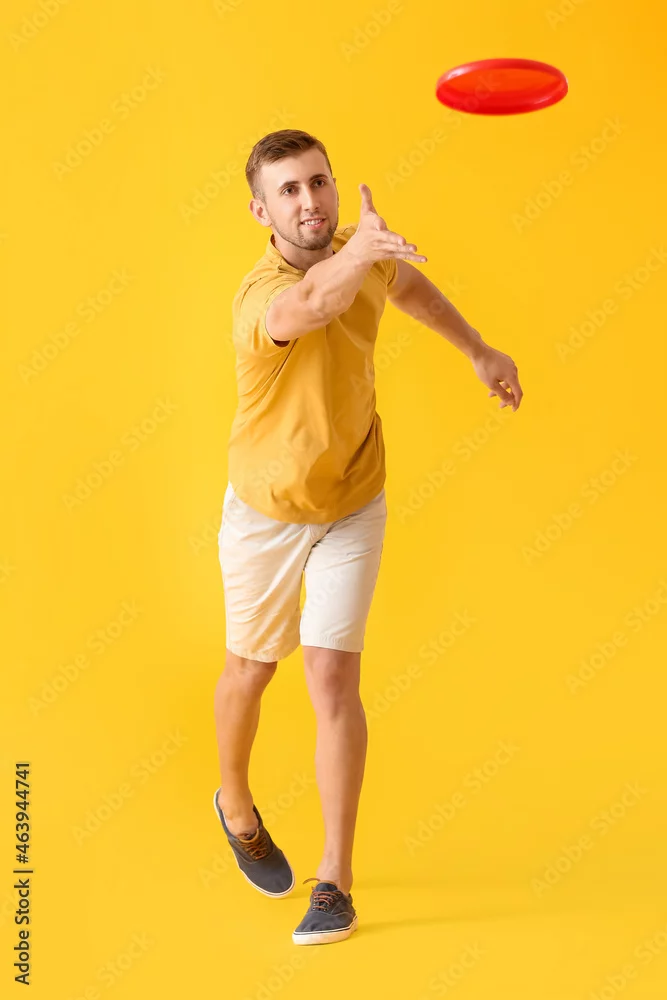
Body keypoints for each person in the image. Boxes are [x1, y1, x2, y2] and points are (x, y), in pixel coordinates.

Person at [213, 129, 523, 946]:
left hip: (353, 497)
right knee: (251, 670)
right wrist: (358, 257)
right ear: (260, 212)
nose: (309, 200)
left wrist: (477, 350)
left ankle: (335, 881)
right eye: (287, 190)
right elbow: (310, 308)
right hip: (267, 511)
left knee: (332, 677)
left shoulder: (364, 254)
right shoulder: (259, 295)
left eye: (317, 182)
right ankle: (235, 804)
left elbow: (409, 289)